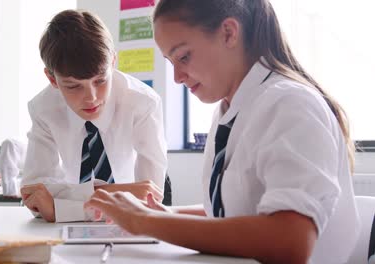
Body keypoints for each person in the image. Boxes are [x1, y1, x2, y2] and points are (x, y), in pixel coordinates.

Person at [84, 1, 360, 263]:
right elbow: (231, 210)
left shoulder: (290, 104)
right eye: (171, 62)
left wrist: (146, 221)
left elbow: (291, 241)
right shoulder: (229, 110)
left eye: (184, 56)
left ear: (228, 33)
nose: (177, 77)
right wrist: (157, 213)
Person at [19, 9, 168, 223]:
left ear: (113, 63)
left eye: (100, 81)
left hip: (126, 225)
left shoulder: (143, 102)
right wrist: (119, 192)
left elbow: (148, 200)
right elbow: (33, 197)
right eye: (73, 86)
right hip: (69, 228)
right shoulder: (43, 109)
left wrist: (62, 207)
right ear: (52, 80)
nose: (91, 98)